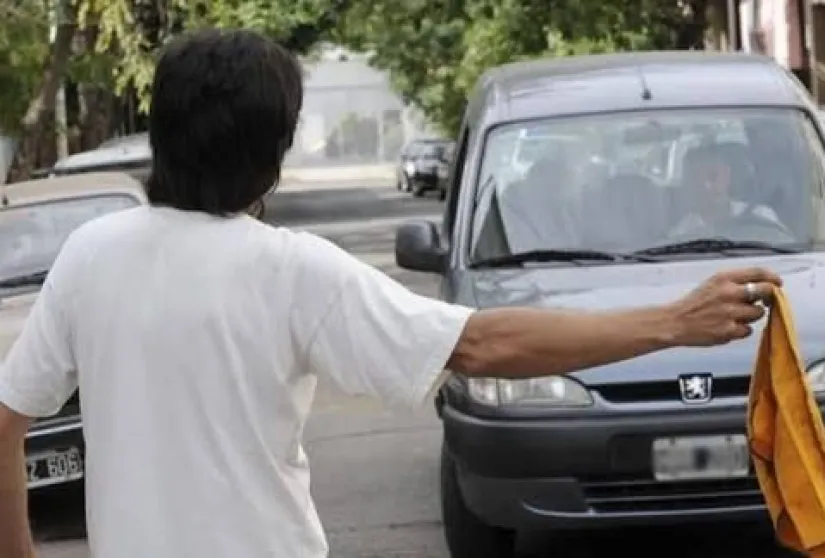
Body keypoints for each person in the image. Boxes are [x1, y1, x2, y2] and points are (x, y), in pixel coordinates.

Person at [0, 29, 782, 558]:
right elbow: (484, 344)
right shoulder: (291, 270)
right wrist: (673, 321)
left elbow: (7, 418)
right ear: (274, 155)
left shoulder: (91, 253)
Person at [669, 143, 785, 239]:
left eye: (713, 176)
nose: (707, 186)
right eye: (697, 180)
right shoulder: (682, 235)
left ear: (727, 175)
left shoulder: (762, 217)